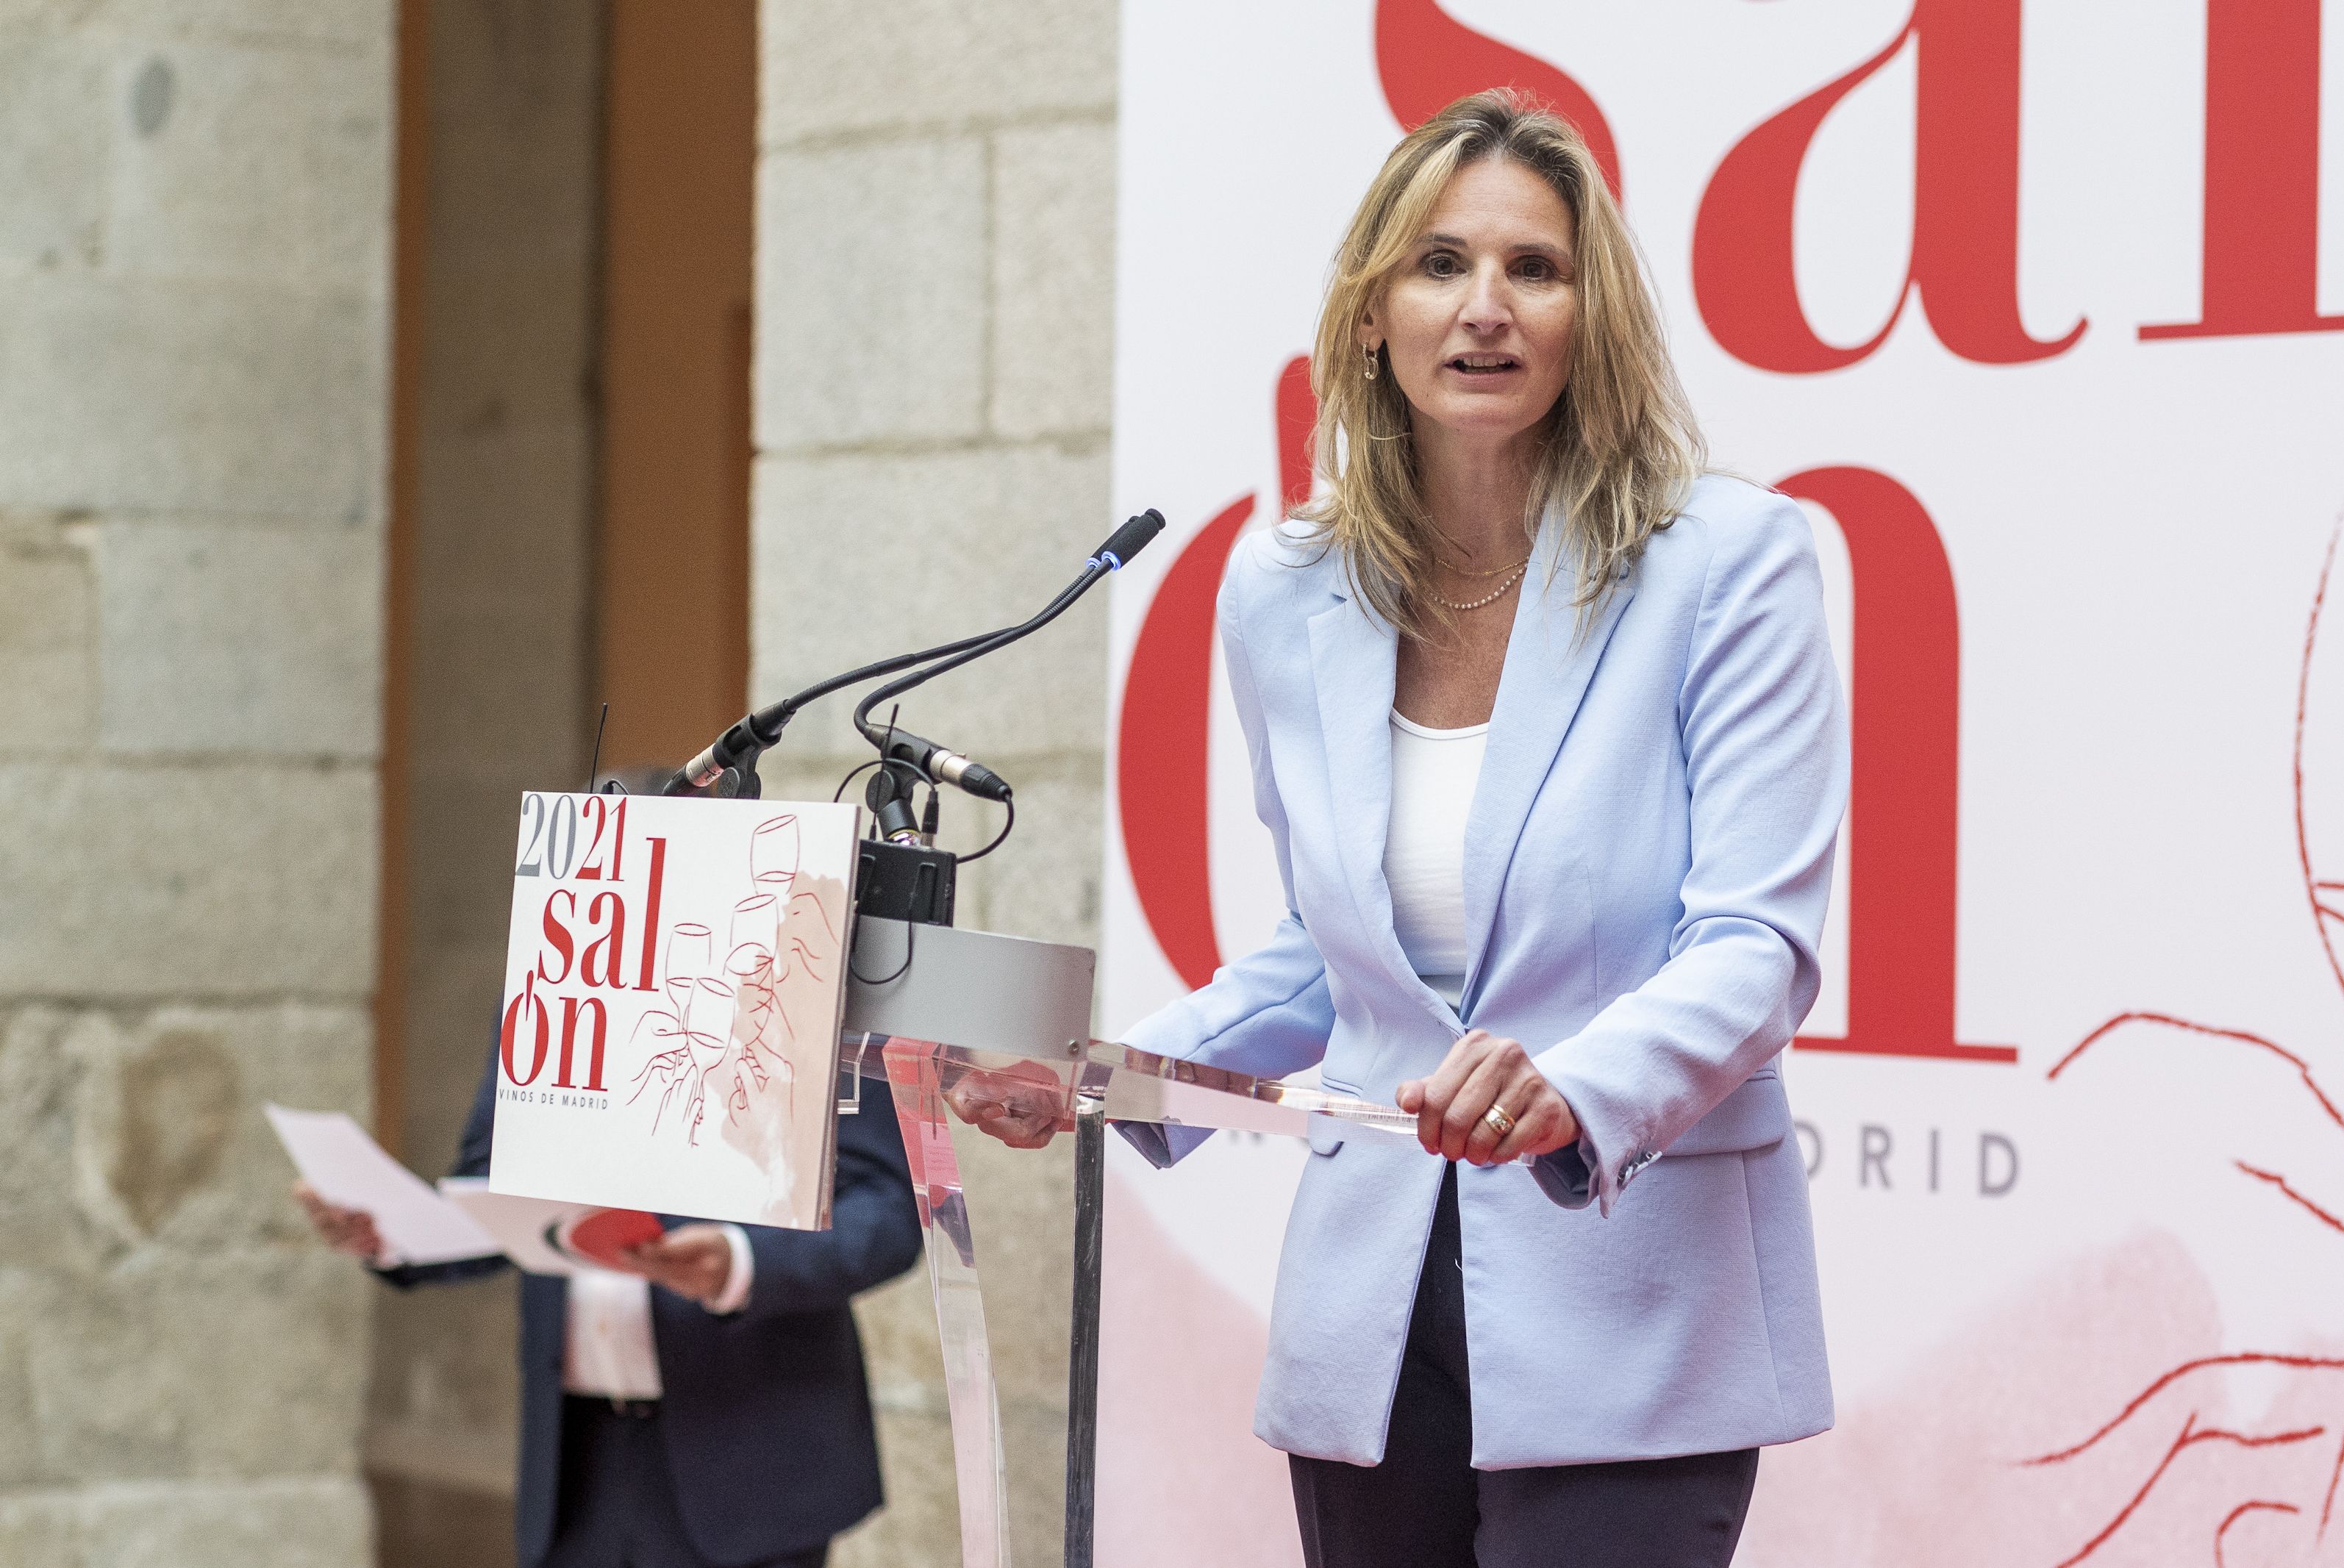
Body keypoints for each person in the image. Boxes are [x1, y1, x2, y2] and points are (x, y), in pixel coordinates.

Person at [960, 90, 1845, 1567]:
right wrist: (1107, 1078)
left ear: (1589, 315)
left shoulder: (1729, 562)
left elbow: (1757, 946)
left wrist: (1568, 1083)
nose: (1483, 308)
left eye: (1533, 269)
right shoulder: (1283, 592)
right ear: (1371, 313)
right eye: (1438, 264)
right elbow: (1330, 956)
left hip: (1633, 1305)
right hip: (1373, 1316)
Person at [299, 1033, 923, 1568]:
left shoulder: (801, 949)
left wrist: (742, 1262)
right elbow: (496, 1188)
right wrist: (392, 1230)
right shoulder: (554, 956)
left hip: (751, 1454)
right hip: (574, 1468)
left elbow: (887, 1211)